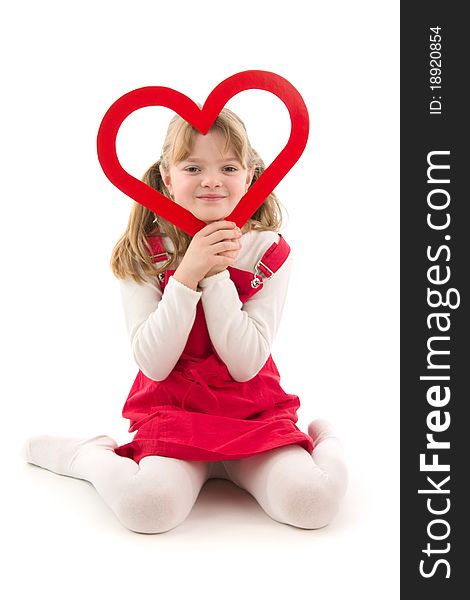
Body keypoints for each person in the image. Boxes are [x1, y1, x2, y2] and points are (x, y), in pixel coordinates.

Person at [21, 108, 348, 534]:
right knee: (147, 509)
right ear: (168, 178)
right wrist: (189, 274)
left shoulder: (268, 251)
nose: (212, 179)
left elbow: (245, 363)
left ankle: (328, 437)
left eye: (228, 167)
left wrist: (216, 278)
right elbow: (153, 364)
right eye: (193, 167)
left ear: (249, 177)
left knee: (312, 504)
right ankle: (86, 455)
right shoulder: (146, 251)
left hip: (252, 412)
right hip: (174, 411)